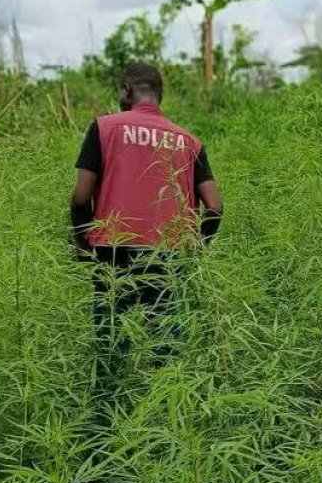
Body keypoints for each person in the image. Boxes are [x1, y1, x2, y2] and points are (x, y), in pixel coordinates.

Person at [70, 63, 223, 393]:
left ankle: (107, 423)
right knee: (166, 347)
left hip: (113, 251)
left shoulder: (104, 128)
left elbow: (82, 196)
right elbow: (214, 206)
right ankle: (164, 419)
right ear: (159, 95)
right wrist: (198, 247)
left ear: (126, 89)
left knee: (111, 345)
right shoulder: (188, 141)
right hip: (168, 253)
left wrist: (82, 241)